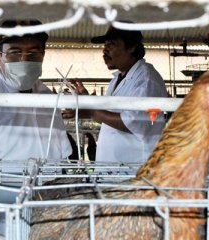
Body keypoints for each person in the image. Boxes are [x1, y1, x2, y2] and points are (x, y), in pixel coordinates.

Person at [0, 19, 72, 165]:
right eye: (14, 52)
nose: (24, 59)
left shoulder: (48, 97)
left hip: (49, 182)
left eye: (33, 53)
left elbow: (60, 150)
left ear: (42, 56)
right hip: (4, 186)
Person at [71, 24, 168, 164]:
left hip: (136, 167)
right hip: (116, 167)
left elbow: (131, 122)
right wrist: (85, 107)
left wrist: (91, 110)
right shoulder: (118, 78)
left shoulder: (146, 80)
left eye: (112, 44)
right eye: (105, 45)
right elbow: (108, 117)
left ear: (131, 47)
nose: (105, 50)